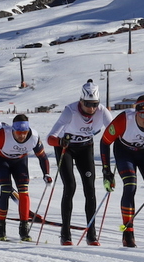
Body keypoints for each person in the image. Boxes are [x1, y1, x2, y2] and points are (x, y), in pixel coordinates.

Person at [46, 80, 111, 246]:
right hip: (66, 148)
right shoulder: (70, 111)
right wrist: (60, 142)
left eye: (94, 104)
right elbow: (50, 138)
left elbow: (114, 131)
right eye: (88, 104)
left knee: (90, 187)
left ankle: (92, 234)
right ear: (80, 101)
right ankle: (65, 234)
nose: (91, 109)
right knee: (70, 186)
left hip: (85, 147)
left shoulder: (102, 111)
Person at [102, 94, 144, 248]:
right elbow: (105, 141)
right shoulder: (125, 119)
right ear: (136, 113)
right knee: (130, 185)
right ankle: (128, 233)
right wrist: (106, 171)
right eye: (143, 115)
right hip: (125, 153)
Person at [0, 113, 52, 242]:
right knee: (6, 189)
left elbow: (42, 157)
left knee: (24, 191)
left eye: (24, 132)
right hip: (1, 160)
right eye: (18, 132)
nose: (21, 135)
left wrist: (46, 173)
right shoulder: (3, 134)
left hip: (20, 161)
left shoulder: (34, 137)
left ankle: (24, 228)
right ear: (13, 130)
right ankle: (1, 227)